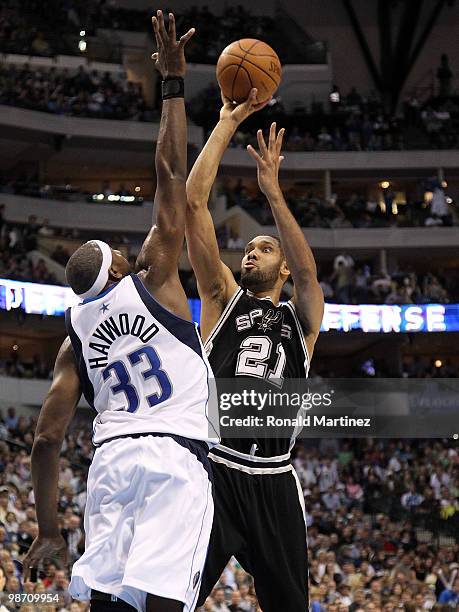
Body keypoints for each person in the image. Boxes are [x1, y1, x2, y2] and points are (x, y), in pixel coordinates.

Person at [23, 11, 218, 612]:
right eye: (121, 255)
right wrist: (173, 84)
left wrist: (50, 530)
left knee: (109, 603)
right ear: (113, 270)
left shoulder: (73, 338)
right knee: (162, 604)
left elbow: (46, 438)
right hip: (175, 459)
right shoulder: (152, 279)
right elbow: (170, 175)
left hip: (111, 464)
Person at [186, 96, 324, 610]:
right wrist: (225, 122)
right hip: (216, 469)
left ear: (283, 268)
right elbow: (194, 204)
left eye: (265, 248)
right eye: (251, 247)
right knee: (176, 594)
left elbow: (309, 274)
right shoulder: (221, 300)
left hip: (274, 481)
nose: (252, 250)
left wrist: (273, 193)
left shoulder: (301, 320)